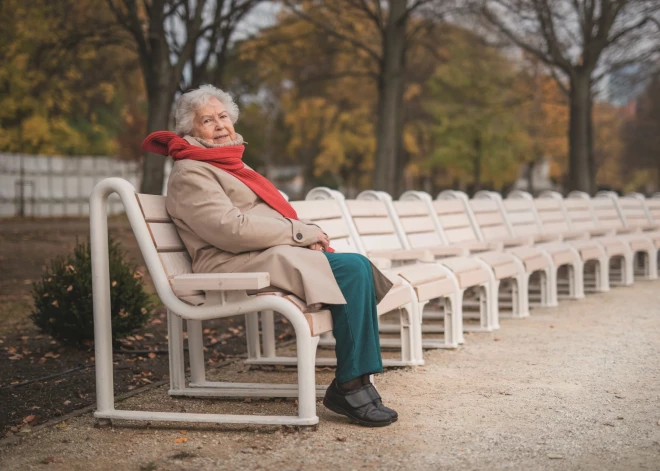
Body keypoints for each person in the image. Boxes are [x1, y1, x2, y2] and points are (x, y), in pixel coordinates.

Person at [141, 85, 398, 427]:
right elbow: (230, 230)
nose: (220, 125)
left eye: (223, 117)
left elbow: (260, 220)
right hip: (231, 262)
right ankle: (351, 385)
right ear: (190, 131)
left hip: (261, 253)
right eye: (207, 120)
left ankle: (357, 383)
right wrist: (300, 233)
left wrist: (302, 238)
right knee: (352, 270)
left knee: (357, 267)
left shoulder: (227, 164)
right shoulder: (192, 172)